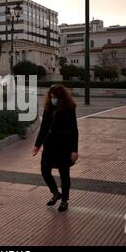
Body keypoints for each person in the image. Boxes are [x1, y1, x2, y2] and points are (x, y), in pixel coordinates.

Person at [33, 84, 79, 212]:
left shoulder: (69, 108)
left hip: (64, 144)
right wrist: (37, 144)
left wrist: (75, 150)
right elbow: (44, 127)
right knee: (44, 170)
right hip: (50, 143)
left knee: (64, 173)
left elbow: (74, 130)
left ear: (61, 97)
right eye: (51, 96)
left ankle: (64, 200)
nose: (53, 99)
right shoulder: (48, 107)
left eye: (55, 97)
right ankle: (55, 193)